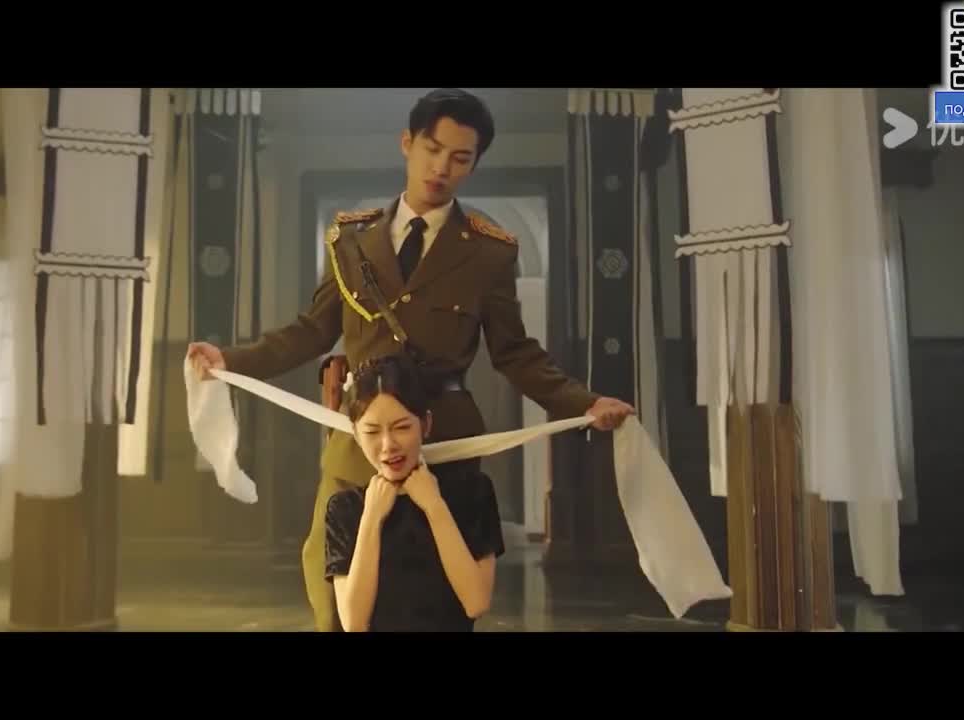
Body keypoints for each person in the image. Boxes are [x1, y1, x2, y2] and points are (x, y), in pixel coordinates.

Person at [188, 88, 634, 631]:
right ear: (408, 143)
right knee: (335, 588)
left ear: (474, 165)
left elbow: (516, 354)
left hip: (444, 440)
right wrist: (229, 360)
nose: (442, 168)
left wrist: (586, 403)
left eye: (460, 157)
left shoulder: (488, 252)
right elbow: (310, 332)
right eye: (433, 149)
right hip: (361, 439)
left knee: (439, 586)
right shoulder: (352, 240)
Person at [324, 353, 503, 632]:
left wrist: (434, 505)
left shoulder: (472, 492)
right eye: (372, 432)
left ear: (426, 424)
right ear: (356, 436)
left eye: (402, 427)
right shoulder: (345, 508)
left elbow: (476, 602)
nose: (388, 445)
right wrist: (371, 517)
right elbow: (354, 623)